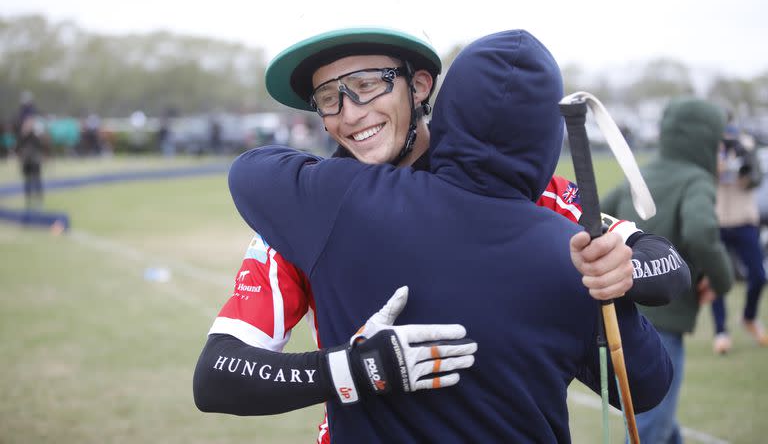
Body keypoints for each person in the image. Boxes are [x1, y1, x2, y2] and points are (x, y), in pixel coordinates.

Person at [194, 27, 688, 441]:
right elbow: (220, 373)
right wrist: (347, 369)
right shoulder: (307, 213)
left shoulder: (535, 192)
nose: (349, 113)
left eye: (366, 84)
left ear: (421, 85)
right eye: (328, 98)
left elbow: (667, 264)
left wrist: (624, 269)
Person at [601, 97, 734, 444]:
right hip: (666, 318)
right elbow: (701, 232)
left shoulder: (641, 174)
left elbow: (598, 216)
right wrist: (721, 280)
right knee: (651, 426)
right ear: (704, 139)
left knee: (658, 420)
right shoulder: (696, 180)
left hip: (623, 315)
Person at [711, 116, 767, 353]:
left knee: (758, 275)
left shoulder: (748, 145)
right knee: (718, 280)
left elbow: (755, 179)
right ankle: (721, 332)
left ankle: (749, 317)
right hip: (718, 220)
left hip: (745, 220)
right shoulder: (709, 147)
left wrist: (743, 158)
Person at [15, 113, 46, 210]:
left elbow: (41, 146)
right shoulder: (22, 135)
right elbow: (18, 147)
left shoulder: (36, 134)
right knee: (27, 181)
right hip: (26, 161)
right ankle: (28, 201)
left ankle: (39, 201)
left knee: (37, 181)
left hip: (35, 161)